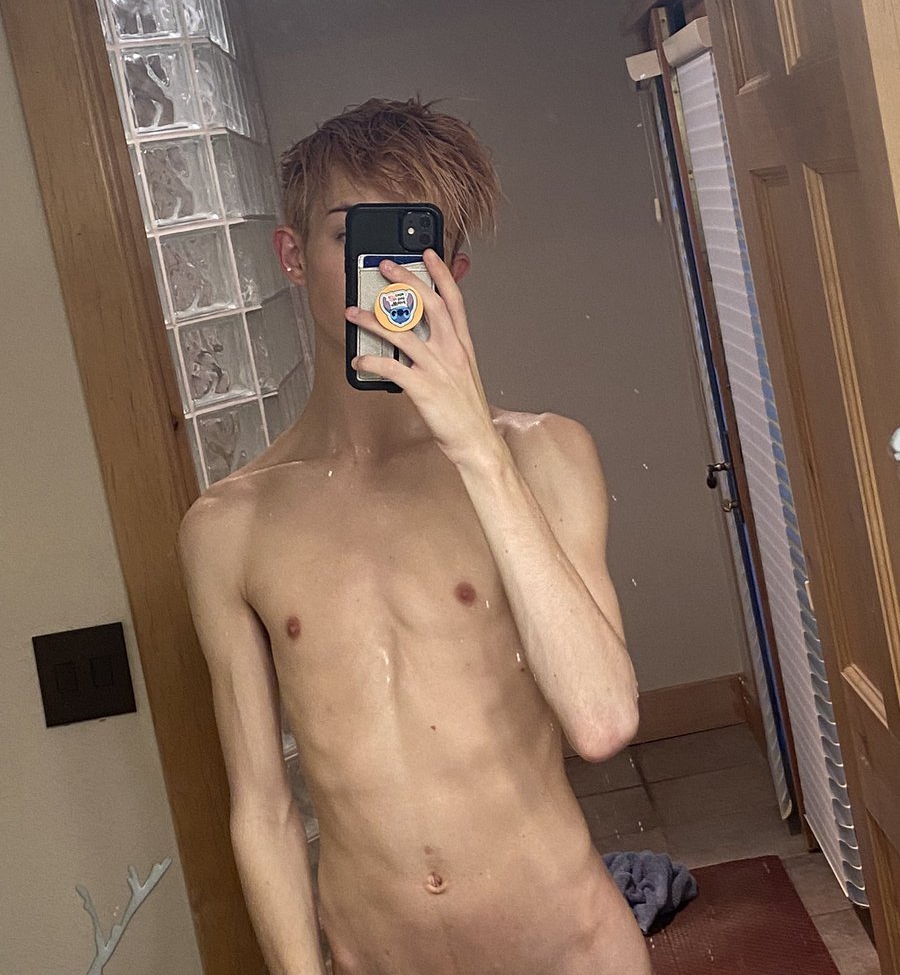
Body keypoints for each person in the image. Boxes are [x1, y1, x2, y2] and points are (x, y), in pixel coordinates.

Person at [176, 97, 651, 975]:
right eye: (351, 237)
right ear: (292, 256)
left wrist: (477, 451)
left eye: (412, 244)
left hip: (569, 949)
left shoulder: (541, 456)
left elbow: (601, 720)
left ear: (452, 273)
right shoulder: (228, 528)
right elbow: (262, 808)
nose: (383, 273)